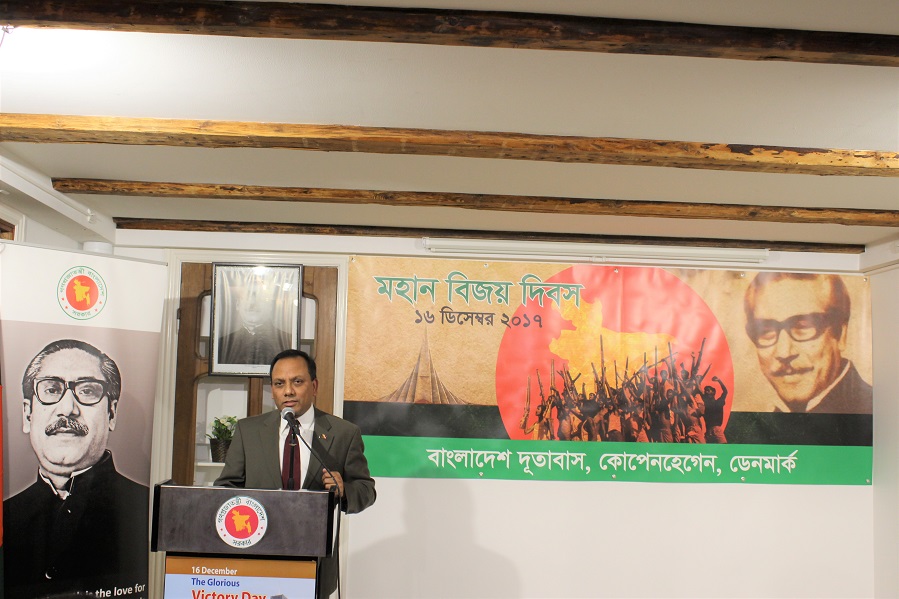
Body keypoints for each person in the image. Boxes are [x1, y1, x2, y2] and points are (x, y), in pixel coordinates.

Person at [215, 349, 376, 598]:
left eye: (297, 382)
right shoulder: (249, 431)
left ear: (314, 386)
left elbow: (366, 490)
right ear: (272, 390)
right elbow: (225, 488)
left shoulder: (344, 433)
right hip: (255, 560)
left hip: (315, 566)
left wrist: (344, 491)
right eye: (279, 384)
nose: (288, 391)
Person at [3, 339, 149, 597]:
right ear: (27, 415)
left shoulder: (146, 510)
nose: (67, 409)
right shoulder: (5, 516)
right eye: (51, 389)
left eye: (87, 391)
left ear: (111, 414)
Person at [744, 272, 873, 414]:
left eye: (802, 327)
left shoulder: (876, 409)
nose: (784, 352)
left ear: (841, 334)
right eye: (766, 331)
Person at [217, 274, 292, 365]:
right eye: (247, 298)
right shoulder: (222, 345)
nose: (252, 304)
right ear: (237, 304)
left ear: (270, 306)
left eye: (259, 298)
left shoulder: (288, 342)